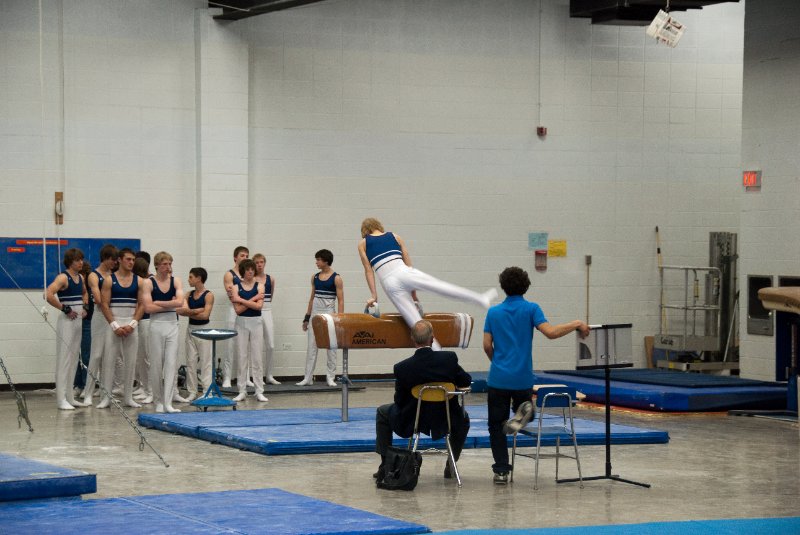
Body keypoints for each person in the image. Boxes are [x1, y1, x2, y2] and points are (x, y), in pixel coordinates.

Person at [483, 266, 590, 485]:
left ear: (503, 287)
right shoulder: (531, 309)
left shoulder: (493, 312)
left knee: (495, 425)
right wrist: (576, 323)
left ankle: (501, 471)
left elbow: (486, 345)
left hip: (498, 377)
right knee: (526, 412)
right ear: (526, 286)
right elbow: (551, 333)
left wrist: (497, 362)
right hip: (522, 376)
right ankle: (523, 415)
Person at [358, 217, 497, 351]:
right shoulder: (395, 236)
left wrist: (374, 296)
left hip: (389, 282)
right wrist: (413, 293)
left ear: (365, 231)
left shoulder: (363, 244)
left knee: (415, 322)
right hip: (405, 271)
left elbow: (368, 271)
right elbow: (408, 262)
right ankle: (480, 299)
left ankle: (437, 353)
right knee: (441, 287)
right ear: (378, 226)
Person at [374, 320, 471, 479]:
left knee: (382, 412)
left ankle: (386, 465)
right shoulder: (448, 359)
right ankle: (451, 464)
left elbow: (399, 400)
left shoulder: (402, 368)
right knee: (464, 418)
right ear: (432, 338)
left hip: (414, 420)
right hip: (446, 420)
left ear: (412, 339)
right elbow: (466, 381)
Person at [97, 247, 145, 409]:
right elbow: (104, 304)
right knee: (109, 361)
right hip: (114, 325)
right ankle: (106, 397)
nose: (131, 262)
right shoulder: (110, 280)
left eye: (133, 260)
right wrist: (114, 325)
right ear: (119, 260)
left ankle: (128, 398)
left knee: (131, 362)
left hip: (131, 325)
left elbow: (142, 304)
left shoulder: (139, 281)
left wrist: (133, 324)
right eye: (128, 259)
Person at [45, 248, 90, 410]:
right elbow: (48, 294)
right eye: (78, 260)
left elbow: (85, 293)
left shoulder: (81, 278)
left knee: (73, 359)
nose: (81, 262)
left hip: (77, 320)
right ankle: (60, 399)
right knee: (64, 359)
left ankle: (70, 397)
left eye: (82, 259)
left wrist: (84, 306)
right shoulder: (63, 277)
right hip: (66, 321)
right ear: (70, 261)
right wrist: (64, 308)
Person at [141, 251, 184, 413]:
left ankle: (168, 402)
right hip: (156, 325)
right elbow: (148, 307)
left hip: (172, 324)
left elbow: (180, 302)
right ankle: (158, 400)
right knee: (156, 364)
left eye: (170, 264)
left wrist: (159, 301)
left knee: (171, 363)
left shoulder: (176, 281)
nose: (168, 267)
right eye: (165, 264)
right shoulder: (148, 283)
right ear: (157, 266)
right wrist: (170, 302)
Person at [299, 249, 343, 387]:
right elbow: (312, 298)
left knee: (331, 347)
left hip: (329, 313)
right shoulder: (315, 277)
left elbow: (341, 300)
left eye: (318, 259)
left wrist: (340, 319)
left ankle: (330, 377)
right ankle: (308, 377)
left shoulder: (336, 278)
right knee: (311, 346)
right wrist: (307, 317)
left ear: (326, 261)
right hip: (315, 313)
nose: (316, 262)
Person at [82, 244, 118, 404]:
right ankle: (88, 393)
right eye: (112, 260)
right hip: (99, 316)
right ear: (105, 258)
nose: (114, 263)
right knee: (96, 355)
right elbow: (97, 299)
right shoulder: (93, 276)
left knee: (109, 357)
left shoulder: (114, 275)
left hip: (112, 315)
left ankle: (106, 394)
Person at [230, 259, 268, 402]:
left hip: (256, 322)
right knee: (242, 356)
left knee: (257, 357)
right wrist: (254, 298)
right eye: (248, 269)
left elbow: (258, 307)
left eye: (253, 269)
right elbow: (238, 310)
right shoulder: (235, 287)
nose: (251, 271)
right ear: (243, 271)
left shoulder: (260, 286)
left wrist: (242, 299)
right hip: (241, 322)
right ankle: (242, 390)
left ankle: (259, 390)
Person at [178, 267, 214, 401]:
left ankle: (207, 391)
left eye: (191, 277)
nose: (189, 279)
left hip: (204, 330)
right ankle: (192, 391)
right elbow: (180, 311)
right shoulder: (188, 294)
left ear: (199, 278)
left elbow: (205, 316)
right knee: (191, 362)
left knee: (206, 362)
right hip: (190, 329)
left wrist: (190, 312)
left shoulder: (209, 295)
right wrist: (195, 311)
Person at [222, 246, 249, 388]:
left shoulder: (250, 274)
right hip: (233, 310)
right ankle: (227, 377)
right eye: (242, 255)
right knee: (230, 344)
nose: (245, 258)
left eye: (246, 256)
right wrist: (248, 298)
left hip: (246, 311)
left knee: (245, 345)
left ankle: (244, 377)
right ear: (235, 258)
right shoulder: (229, 275)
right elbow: (232, 295)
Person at [253, 253, 279, 385]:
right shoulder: (251, 280)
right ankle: (256, 376)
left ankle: (269, 375)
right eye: (257, 262)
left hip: (267, 310)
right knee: (256, 346)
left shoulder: (271, 279)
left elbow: (271, 296)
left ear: (264, 263)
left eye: (261, 262)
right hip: (255, 312)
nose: (259, 265)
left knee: (271, 345)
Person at [132, 254, 153, 404]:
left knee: (147, 357)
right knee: (141, 357)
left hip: (147, 320)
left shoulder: (148, 281)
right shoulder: (139, 281)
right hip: (140, 320)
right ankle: (144, 386)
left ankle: (150, 389)